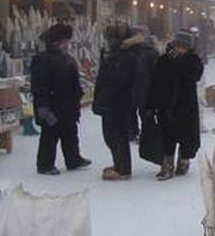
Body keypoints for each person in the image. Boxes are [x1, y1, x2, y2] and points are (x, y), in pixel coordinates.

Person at [31, 23, 91, 175]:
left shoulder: (67, 58)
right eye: (66, 40)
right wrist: (42, 106)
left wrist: (78, 92)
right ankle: (45, 164)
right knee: (50, 134)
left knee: (70, 131)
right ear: (59, 41)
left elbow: (72, 80)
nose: (68, 43)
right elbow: (39, 85)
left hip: (68, 103)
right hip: (52, 103)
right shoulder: (43, 59)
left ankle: (73, 159)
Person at [149, 31, 204, 180]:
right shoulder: (164, 60)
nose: (181, 49)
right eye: (178, 46)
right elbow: (155, 82)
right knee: (167, 136)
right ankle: (166, 166)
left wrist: (178, 60)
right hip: (166, 105)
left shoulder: (193, 60)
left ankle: (183, 162)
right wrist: (151, 104)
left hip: (186, 106)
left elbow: (195, 75)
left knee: (187, 137)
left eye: (184, 47)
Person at [93, 23, 137, 181]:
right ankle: (119, 164)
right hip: (116, 102)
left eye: (110, 38)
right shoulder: (117, 55)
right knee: (113, 136)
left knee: (116, 136)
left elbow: (115, 82)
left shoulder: (121, 57)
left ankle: (122, 169)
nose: (108, 42)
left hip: (117, 103)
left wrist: (102, 99)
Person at [123, 27, 159, 141]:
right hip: (146, 88)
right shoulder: (152, 52)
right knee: (145, 113)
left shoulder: (126, 50)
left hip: (131, 87)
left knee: (131, 111)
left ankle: (132, 132)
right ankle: (145, 134)